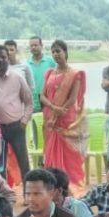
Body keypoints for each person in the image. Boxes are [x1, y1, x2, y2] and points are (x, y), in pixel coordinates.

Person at [40, 40, 87, 187]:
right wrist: (53, 107)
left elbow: (73, 98)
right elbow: (42, 96)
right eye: (53, 52)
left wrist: (59, 110)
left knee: (68, 154)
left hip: (66, 119)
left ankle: (69, 185)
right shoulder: (49, 73)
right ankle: (53, 185)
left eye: (58, 51)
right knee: (51, 152)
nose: (55, 54)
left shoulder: (75, 74)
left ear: (65, 52)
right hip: (50, 118)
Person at [0, 45, 33, 179]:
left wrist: (24, 121)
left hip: (16, 127)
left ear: (8, 58)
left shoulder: (17, 78)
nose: (0, 60)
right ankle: (3, 196)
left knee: (23, 163)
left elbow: (29, 102)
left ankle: (28, 195)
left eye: (3, 57)